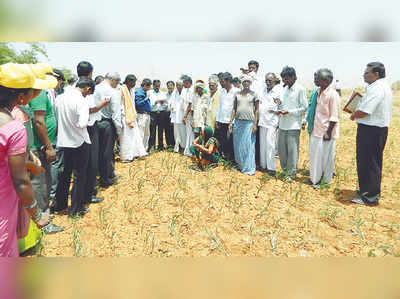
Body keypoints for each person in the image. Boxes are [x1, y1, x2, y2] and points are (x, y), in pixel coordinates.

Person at [0, 63, 53, 256]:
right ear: (21, 96)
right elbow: (20, 180)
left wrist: (28, 163)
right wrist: (37, 214)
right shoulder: (14, 128)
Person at [350, 62, 392, 206]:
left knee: (370, 162)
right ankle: (366, 190)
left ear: (376, 74)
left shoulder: (378, 88)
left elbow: (366, 111)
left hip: (372, 130)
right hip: (372, 129)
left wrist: (354, 114)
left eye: (367, 73)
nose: (364, 75)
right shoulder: (376, 87)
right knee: (366, 161)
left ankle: (370, 197)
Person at [52, 77, 95, 217]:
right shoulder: (82, 101)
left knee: (65, 174)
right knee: (79, 176)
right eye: (88, 93)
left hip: (64, 142)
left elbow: (55, 118)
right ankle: (76, 209)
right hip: (80, 142)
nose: (87, 95)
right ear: (87, 89)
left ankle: (60, 205)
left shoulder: (60, 98)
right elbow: (83, 123)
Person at [28, 71, 65, 233]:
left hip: (40, 145)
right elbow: (38, 120)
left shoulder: (41, 91)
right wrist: (48, 146)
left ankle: (42, 216)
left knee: (44, 182)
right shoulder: (39, 92)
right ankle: (42, 223)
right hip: (39, 146)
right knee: (40, 184)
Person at [307, 69, 340, 189]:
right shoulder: (318, 92)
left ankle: (325, 182)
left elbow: (334, 116)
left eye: (318, 79)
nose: (315, 80)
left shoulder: (333, 95)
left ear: (326, 81)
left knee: (327, 158)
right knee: (315, 156)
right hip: (316, 130)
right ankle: (315, 179)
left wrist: (328, 132)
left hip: (326, 132)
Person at [276, 66, 307, 182]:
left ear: (294, 77)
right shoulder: (284, 89)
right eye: (283, 79)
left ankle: (291, 174)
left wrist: (289, 112)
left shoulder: (300, 89)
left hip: (293, 125)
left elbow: (304, 107)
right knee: (282, 150)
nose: (285, 81)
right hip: (283, 124)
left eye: (287, 79)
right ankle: (285, 171)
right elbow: (283, 105)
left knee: (292, 151)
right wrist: (279, 105)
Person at [95, 72, 122, 188]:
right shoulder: (113, 92)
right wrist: (119, 131)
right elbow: (116, 114)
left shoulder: (96, 88)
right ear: (112, 80)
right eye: (117, 82)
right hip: (107, 123)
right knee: (107, 152)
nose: (117, 85)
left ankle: (105, 174)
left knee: (99, 151)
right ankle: (106, 178)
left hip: (96, 122)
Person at [229, 75, 259, 175]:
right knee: (238, 146)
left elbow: (257, 110)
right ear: (242, 83)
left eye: (248, 81)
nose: (246, 83)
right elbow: (234, 109)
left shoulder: (254, 94)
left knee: (248, 146)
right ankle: (240, 166)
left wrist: (255, 124)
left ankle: (249, 168)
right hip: (238, 122)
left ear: (250, 83)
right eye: (244, 81)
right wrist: (230, 122)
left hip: (249, 123)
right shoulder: (237, 94)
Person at [119, 74, 147, 162]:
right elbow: (120, 105)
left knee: (134, 136)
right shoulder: (121, 89)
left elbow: (132, 104)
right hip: (124, 116)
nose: (135, 84)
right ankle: (126, 156)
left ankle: (134, 153)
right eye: (134, 82)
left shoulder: (131, 90)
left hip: (132, 116)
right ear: (129, 81)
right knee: (126, 137)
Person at [258, 73, 282, 175]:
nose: (268, 82)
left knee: (270, 145)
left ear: (274, 81)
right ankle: (263, 166)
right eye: (266, 80)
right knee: (262, 144)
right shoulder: (263, 90)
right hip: (263, 121)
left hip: (272, 122)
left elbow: (280, 106)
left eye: (270, 81)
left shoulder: (278, 91)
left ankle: (271, 168)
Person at [215, 72, 238, 161]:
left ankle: (231, 160)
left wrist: (232, 122)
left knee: (231, 141)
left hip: (231, 121)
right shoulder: (221, 91)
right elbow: (220, 106)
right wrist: (217, 120)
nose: (220, 83)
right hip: (222, 120)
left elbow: (235, 108)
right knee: (223, 140)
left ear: (228, 81)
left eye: (222, 81)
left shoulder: (236, 91)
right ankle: (224, 158)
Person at [148, 79, 169, 151]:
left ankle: (161, 146)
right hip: (153, 113)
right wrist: (155, 102)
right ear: (153, 86)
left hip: (161, 113)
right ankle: (152, 146)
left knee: (160, 130)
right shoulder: (149, 93)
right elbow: (148, 104)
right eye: (156, 86)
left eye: (158, 86)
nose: (157, 87)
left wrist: (163, 104)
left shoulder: (163, 93)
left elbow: (166, 104)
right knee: (152, 130)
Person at [135, 78, 152, 150]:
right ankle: (139, 150)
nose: (149, 88)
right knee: (140, 133)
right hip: (142, 115)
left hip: (147, 115)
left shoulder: (145, 92)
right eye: (148, 86)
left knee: (146, 133)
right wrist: (146, 98)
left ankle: (144, 149)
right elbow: (138, 104)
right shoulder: (139, 92)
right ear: (145, 85)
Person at [170, 80, 186, 153]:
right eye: (177, 85)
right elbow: (170, 102)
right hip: (175, 116)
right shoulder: (174, 93)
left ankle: (183, 147)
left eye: (180, 85)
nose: (178, 87)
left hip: (182, 116)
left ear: (183, 85)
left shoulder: (185, 93)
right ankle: (177, 147)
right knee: (176, 133)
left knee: (183, 132)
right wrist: (171, 106)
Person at [181, 75, 195, 156]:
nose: (184, 85)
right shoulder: (186, 90)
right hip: (186, 114)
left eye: (185, 83)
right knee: (188, 132)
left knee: (190, 133)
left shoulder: (192, 91)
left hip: (189, 115)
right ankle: (188, 149)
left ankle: (190, 150)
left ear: (189, 83)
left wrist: (185, 116)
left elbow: (190, 105)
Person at [165, 80, 176, 148]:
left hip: (174, 113)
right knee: (167, 129)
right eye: (168, 86)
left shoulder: (176, 94)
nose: (169, 87)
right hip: (166, 113)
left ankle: (174, 143)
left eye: (171, 85)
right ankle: (168, 144)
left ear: (173, 86)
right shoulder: (165, 94)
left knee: (173, 129)